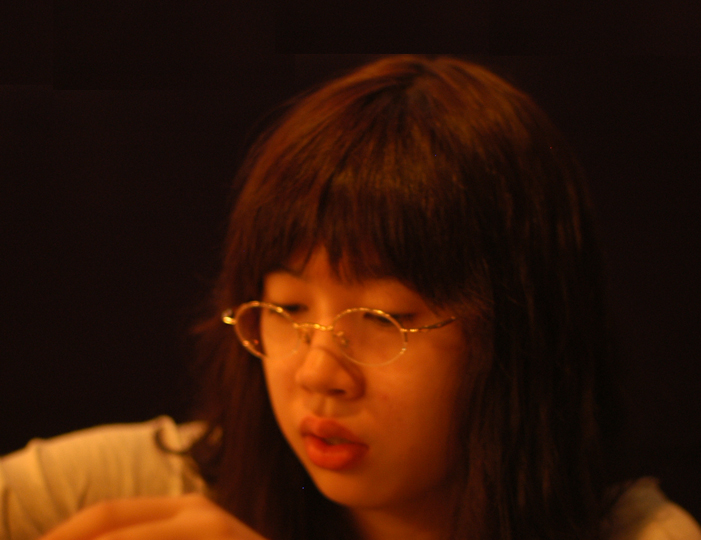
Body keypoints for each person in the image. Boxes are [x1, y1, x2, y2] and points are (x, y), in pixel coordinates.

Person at [1, 55, 700, 540]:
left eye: (383, 319)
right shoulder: (157, 485)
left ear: (518, 336)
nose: (317, 372)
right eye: (286, 309)